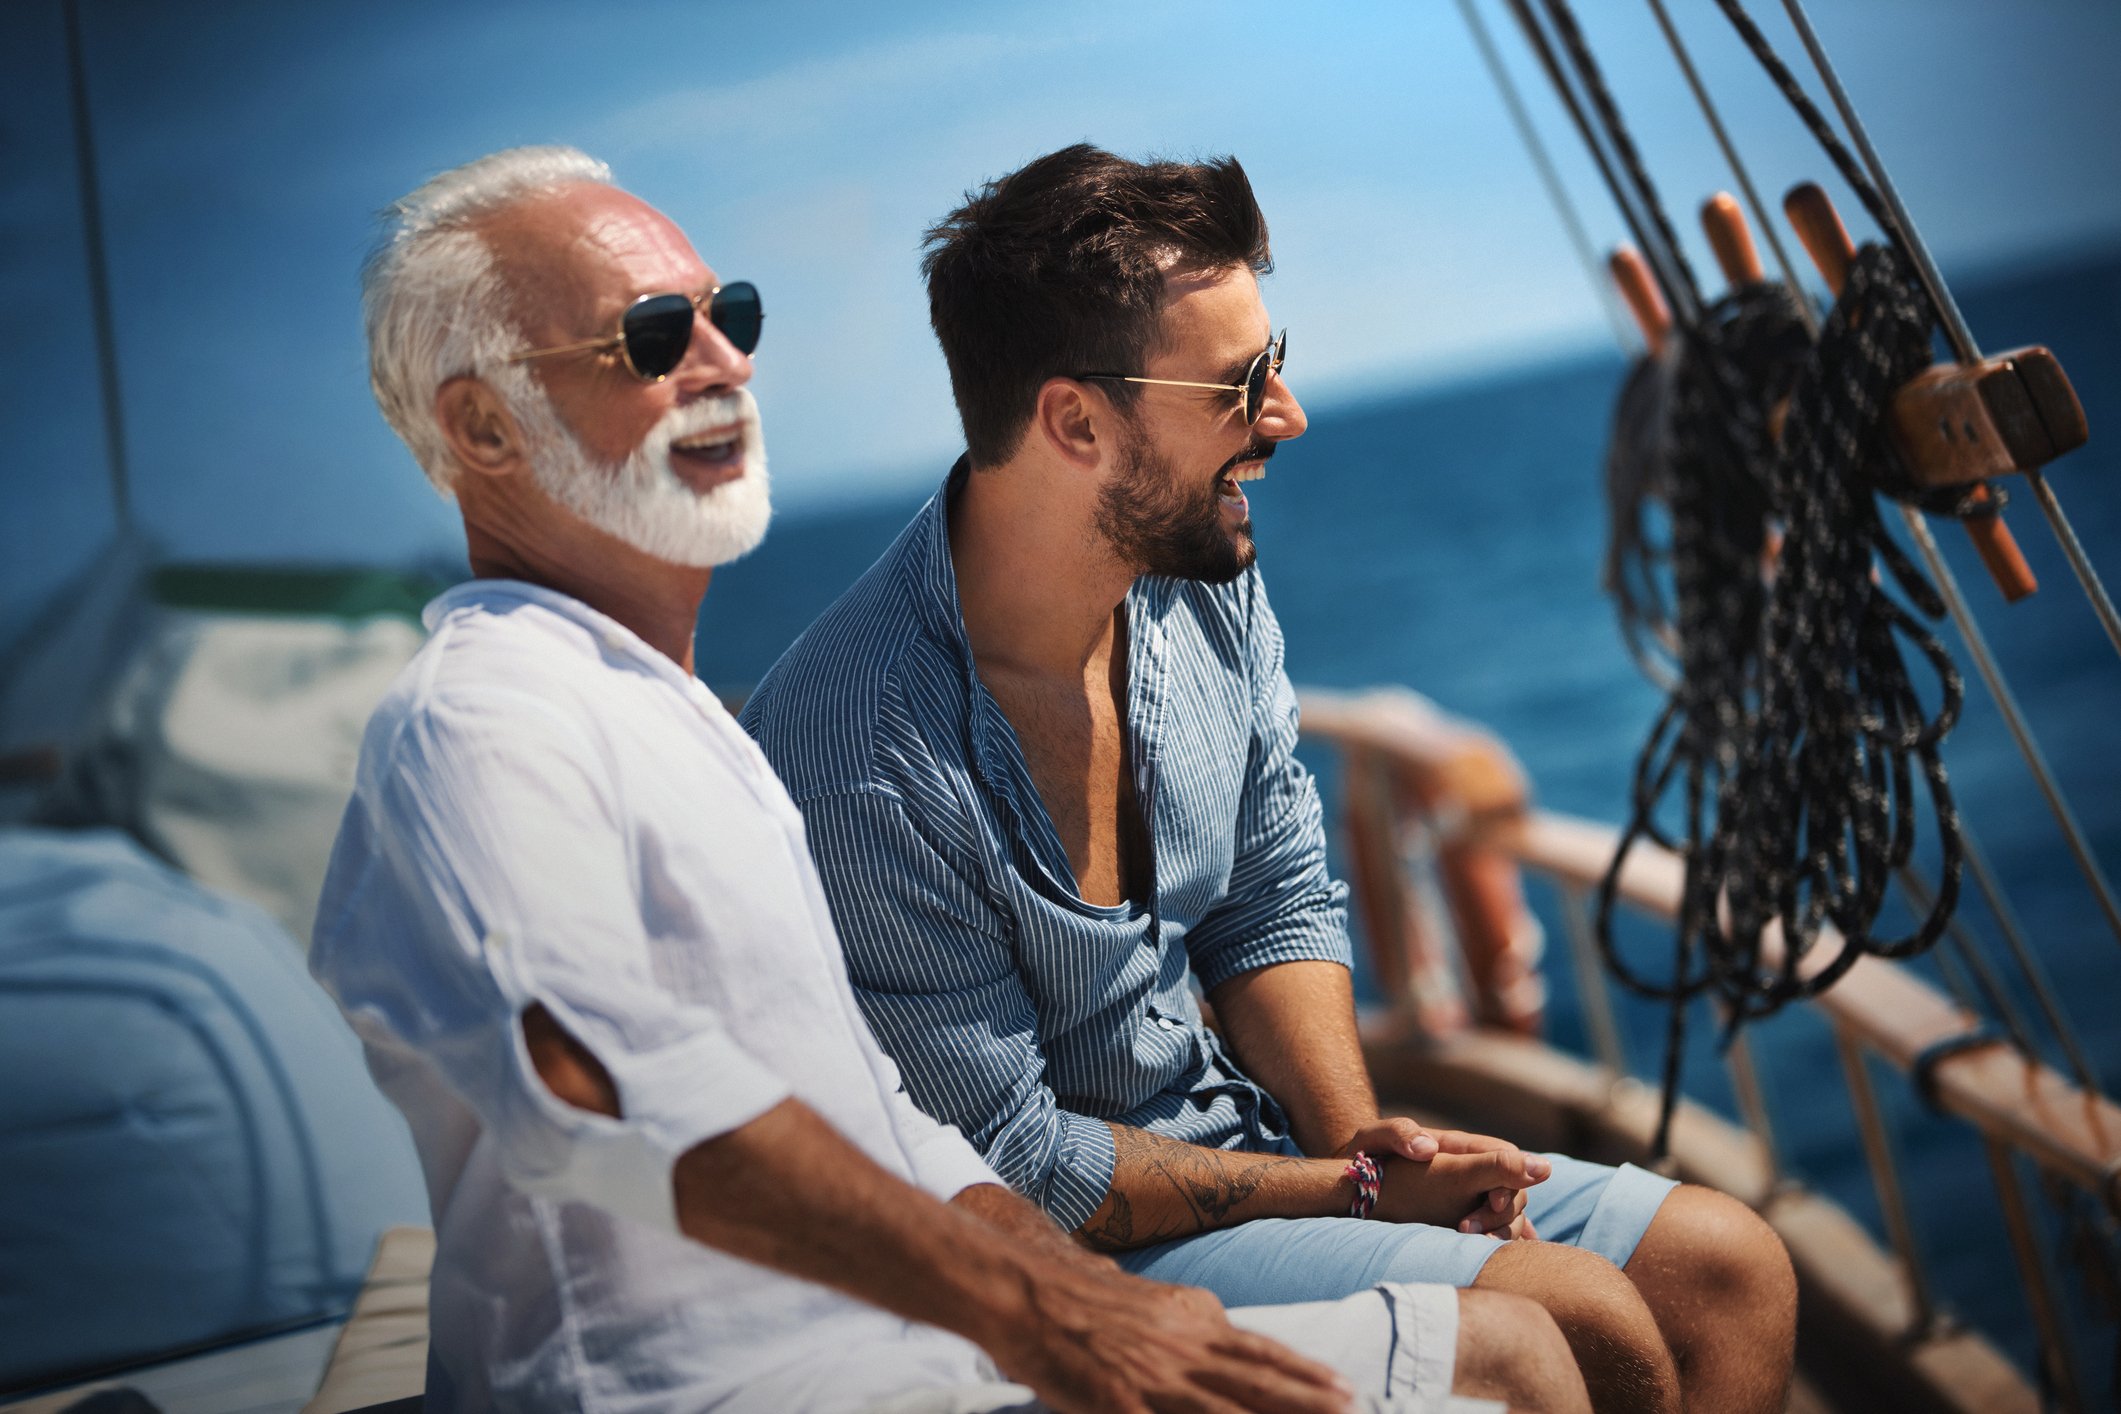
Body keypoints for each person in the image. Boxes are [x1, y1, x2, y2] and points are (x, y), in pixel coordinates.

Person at [309, 145, 1590, 1414]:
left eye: (729, 317)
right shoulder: (479, 719)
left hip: (890, 1353)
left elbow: (886, 1116)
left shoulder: (668, 719)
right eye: (651, 338)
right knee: (1519, 1357)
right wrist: (1047, 1310)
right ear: (482, 425)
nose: (724, 362)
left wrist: (1082, 1294)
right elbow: (592, 1076)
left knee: (1631, 1301)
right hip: (695, 1389)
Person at [740, 144, 1799, 1414]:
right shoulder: (859, 753)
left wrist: (1366, 1147)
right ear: (1077, 423)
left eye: (1275, 359)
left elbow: (1271, 894)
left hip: (1255, 1162)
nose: (1286, 415)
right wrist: (1355, 1192)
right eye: (1240, 385)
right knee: (1572, 1317)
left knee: (1728, 1270)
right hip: (1070, 1263)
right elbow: (1017, 1168)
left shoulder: (1199, 583)